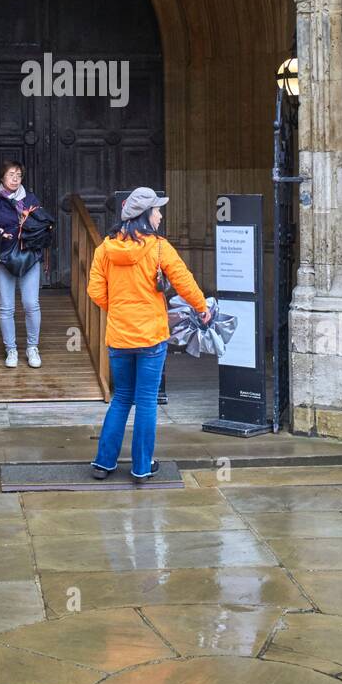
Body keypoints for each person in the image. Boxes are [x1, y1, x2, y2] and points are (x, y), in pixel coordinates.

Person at [87, 187, 210, 482]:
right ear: (144, 215)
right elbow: (184, 281)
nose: (160, 214)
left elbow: (94, 291)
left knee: (121, 399)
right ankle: (142, 467)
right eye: (156, 210)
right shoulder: (158, 247)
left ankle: (103, 463)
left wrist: (117, 308)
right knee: (145, 401)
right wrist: (202, 307)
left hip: (119, 336)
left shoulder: (105, 248)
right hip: (151, 337)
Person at [0, 160, 47, 369]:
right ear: (2, 177)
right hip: (4, 257)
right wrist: (0, 233)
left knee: (31, 304)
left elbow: (43, 224)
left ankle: (32, 347)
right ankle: (11, 350)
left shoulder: (31, 199)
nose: (15, 179)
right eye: (11, 174)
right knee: (6, 307)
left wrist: (29, 222)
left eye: (18, 175)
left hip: (29, 256)